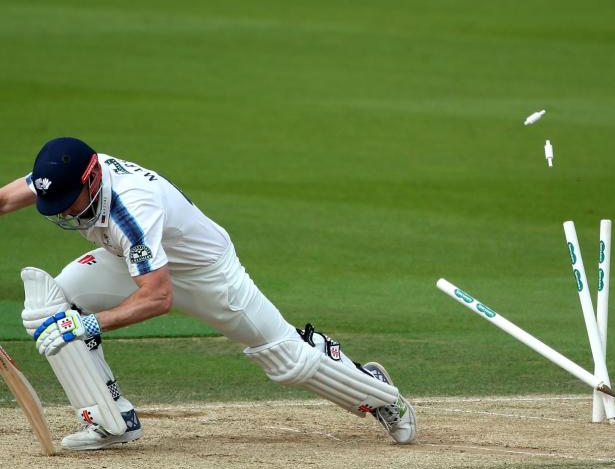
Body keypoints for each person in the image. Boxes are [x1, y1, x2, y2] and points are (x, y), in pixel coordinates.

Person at [0, 137, 416, 450]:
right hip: (135, 265)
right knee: (51, 304)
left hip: (206, 274)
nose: (67, 211)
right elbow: (3, 201)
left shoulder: (132, 210)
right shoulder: (62, 175)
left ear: (91, 179)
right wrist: (74, 319)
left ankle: (379, 394)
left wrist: (87, 324)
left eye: (70, 202)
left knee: (287, 360)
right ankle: (110, 420)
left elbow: (158, 298)